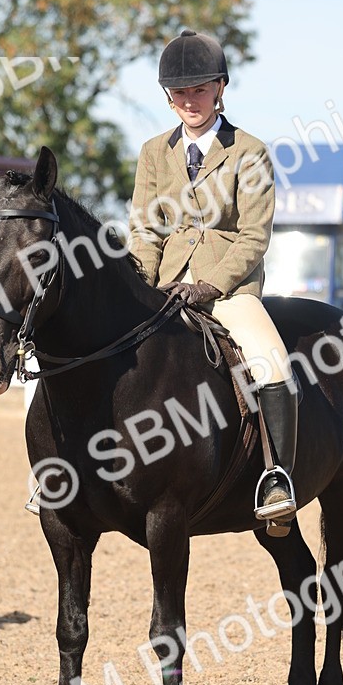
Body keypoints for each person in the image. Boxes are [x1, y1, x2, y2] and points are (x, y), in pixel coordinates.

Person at [128, 28, 298, 527]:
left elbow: (254, 236)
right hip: (165, 286)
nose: (189, 101)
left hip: (228, 291)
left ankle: (277, 478)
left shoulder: (249, 151)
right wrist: (140, 285)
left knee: (272, 363)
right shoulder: (153, 152)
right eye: (179, 92)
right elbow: (145, 230)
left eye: (199, 90)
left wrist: (210, 286)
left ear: (220, 88)